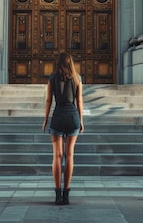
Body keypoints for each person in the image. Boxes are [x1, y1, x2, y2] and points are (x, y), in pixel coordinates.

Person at [42, 52, 84, 205]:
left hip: (58, 117)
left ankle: (57, 194)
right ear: (71, 63)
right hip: (72, 117)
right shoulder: (77, 79)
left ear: (58, 63)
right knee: (70, 155)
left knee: (57, 156)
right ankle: (66, 194)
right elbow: (79, 101)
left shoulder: (52, 78)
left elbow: (48, 101)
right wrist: (81, 121)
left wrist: (45, 120)